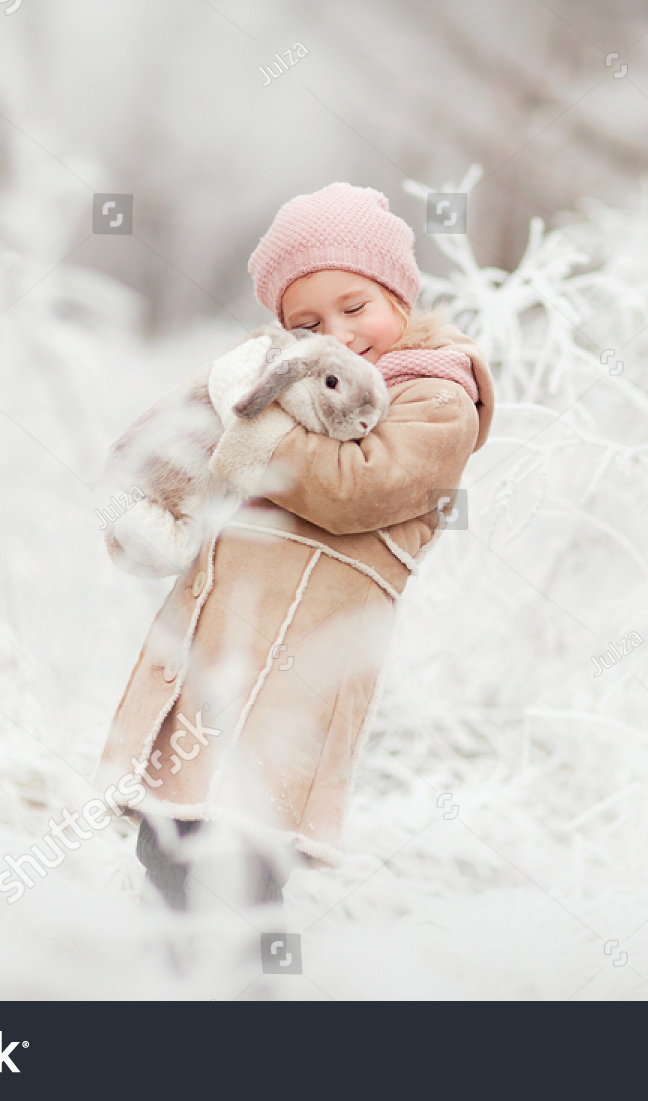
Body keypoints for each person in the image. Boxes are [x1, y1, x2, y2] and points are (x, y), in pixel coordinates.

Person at [96, 181, 496, 910]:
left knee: (243, 856)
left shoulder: (435, 395)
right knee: (167, 839)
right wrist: (156, 488)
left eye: (356, 307)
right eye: (307, 322)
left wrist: (256, 434)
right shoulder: (293, 388)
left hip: (301, 666)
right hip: (217, 646)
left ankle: (243, 986)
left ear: (399, 299)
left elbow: (357, 487)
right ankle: (182, 982)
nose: (337, 334)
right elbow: (196, 433)